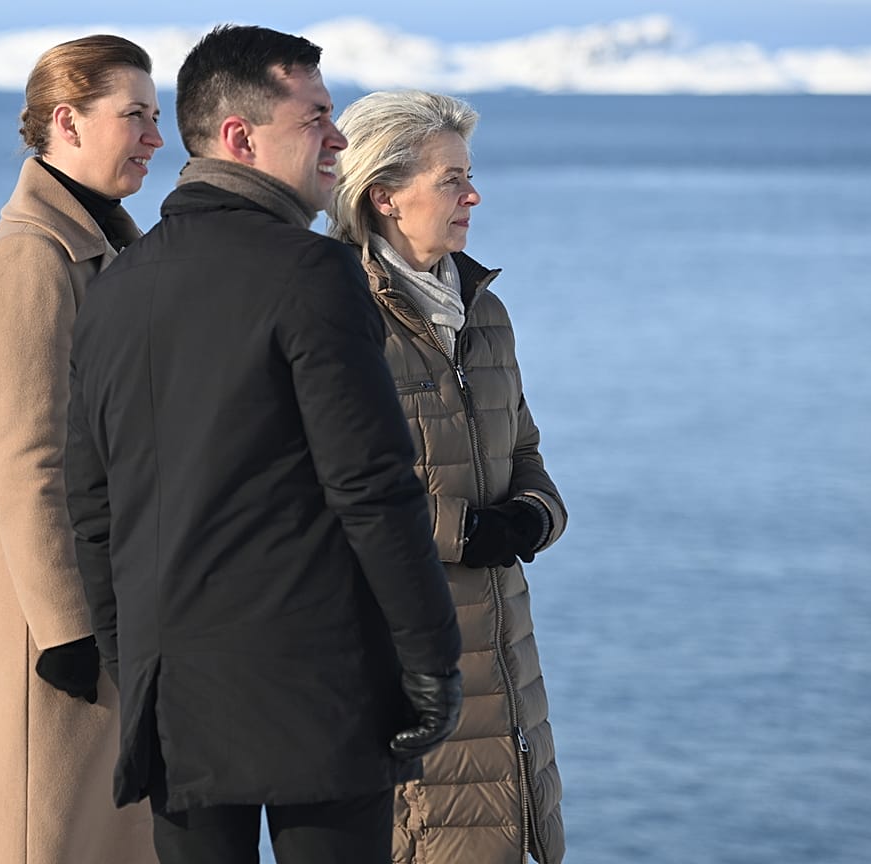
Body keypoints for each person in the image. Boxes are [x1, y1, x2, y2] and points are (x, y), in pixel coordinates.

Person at [63, 25, 464, 864]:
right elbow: (372, 485)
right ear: (242, 138)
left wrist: (129, 661)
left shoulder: (116, 286)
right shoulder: (314, 273)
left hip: (174, 694)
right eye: (316, 116)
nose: (340, 138)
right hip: (315, 691)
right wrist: (431, 660)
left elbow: (93, 504)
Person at [327, 89, 569, 864]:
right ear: (383, 194)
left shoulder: (483, 309)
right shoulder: (337, 313)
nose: (473, 195)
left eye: (470, 175)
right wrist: (463, 530)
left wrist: (535, 515)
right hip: (407, 655)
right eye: (452, 178)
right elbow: (320, 487)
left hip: (505, 652)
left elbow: (525, 449)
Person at [0, 34, 163, 864]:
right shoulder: (33, 257)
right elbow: (30, 458)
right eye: (135, 116)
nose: (155, 137)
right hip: (53, 604)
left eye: (157, 115)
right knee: (42, 831)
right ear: (66, 122)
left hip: (106, 585)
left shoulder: (108, 243)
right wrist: (67, 631)